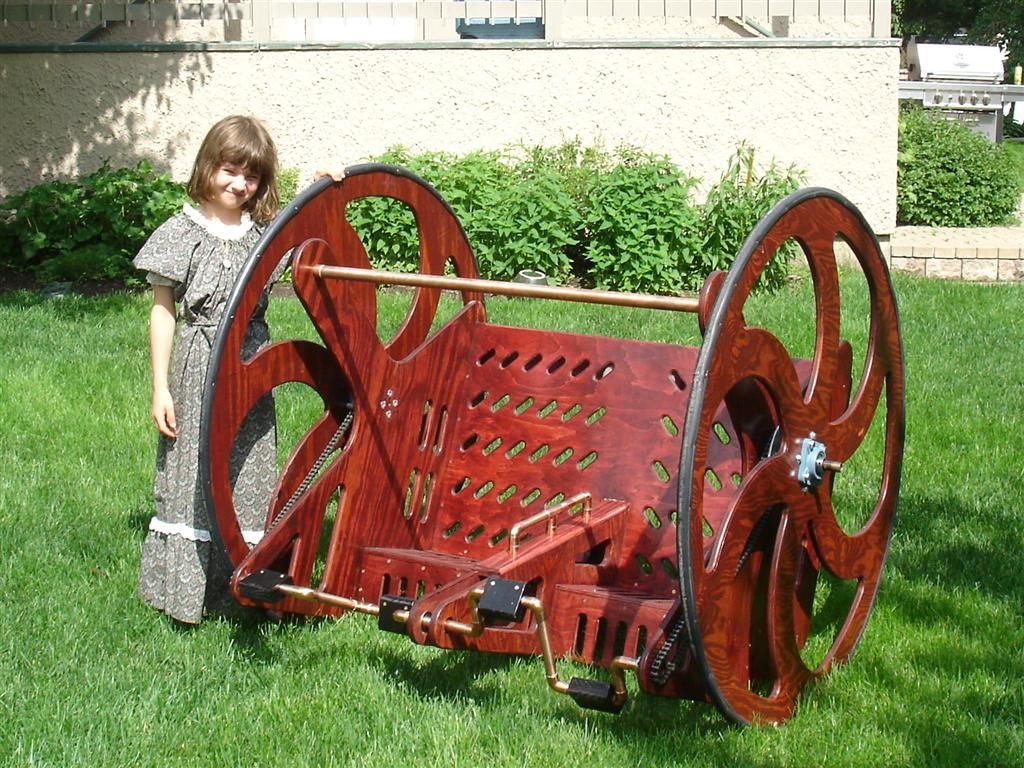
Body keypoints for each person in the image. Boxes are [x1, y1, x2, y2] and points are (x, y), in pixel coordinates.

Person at [134, 115, 334, 623]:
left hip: (251, 362)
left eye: (251, 176)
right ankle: (185, 592)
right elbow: (164, 312)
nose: (239, 184)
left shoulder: (263, 236)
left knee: (247, 465)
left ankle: (242, 586)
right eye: (230, 170)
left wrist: (323, 184)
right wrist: (161, 387)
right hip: (199, 364)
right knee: (194, 464)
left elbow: (309, 230)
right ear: (209, 166)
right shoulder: (181, 232)